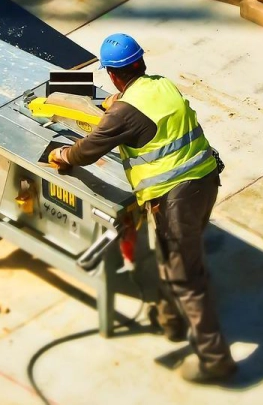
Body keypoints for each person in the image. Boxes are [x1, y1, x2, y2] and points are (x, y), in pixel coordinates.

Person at [48, 33, 237, 384]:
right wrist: (119, 104)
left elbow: (86, 152)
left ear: (112, 75)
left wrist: (62, 155)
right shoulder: (160, 85)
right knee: (172, 257)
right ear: (140, 63)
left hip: (175, 198)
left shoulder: (122, 113)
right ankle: (172, 321)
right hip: (206, 181)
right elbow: (144, 112)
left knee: (186, 277)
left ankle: (216, 359)